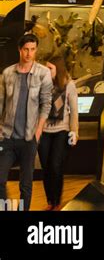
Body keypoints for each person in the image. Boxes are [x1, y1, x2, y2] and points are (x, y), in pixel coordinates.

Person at [0, 33, 53, 211]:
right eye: (25, 50)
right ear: (19, 50)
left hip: (29, 138)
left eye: (32, 49)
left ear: (35, 50)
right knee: (0, 179)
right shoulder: (7, 73)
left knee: (26, 184)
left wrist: (38, 132)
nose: (29, 54)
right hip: (6, 137)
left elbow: (46, 104)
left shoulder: (43, 74)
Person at [39, 57, 79, 211]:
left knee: (56, 166)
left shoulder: (69, 85)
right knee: (46, 167)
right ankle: (50, 200)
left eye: (50, 68)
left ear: (58, 69)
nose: (47, 71)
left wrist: (74, 131)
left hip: (62, 131)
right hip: (44, 131)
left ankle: (57, 201)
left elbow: (74, 111)